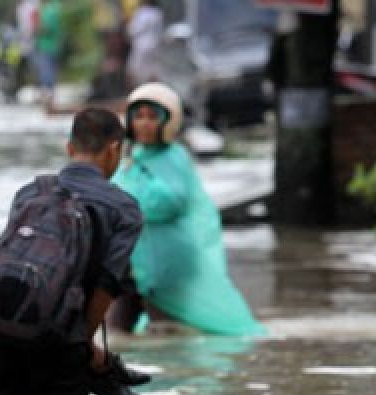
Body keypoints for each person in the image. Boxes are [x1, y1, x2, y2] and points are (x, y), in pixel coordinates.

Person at [0, 108, 145, 395]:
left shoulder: (30, 192)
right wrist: (84, 343)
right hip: (60, 333)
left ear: (69, 148)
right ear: (114, 150)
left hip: (0, 323)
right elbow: (106, 287)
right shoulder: (123, 209)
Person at [111, 83, 265, 336]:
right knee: (116, 334)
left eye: (152, 116)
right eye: (138, 116)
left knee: (166, 333)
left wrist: (131, 201)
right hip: (131, 265)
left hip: (169, 267)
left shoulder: (174, 158)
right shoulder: (129, 160)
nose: (144, 123)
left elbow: (170, 203)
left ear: (168, 121)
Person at [125, 0, 164, 89]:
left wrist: (127, 33)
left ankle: (132, 94)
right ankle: (154, 93)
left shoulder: (142, 12)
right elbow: (160, 32)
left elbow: (133, 30)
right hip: (154, 45)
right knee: (153, 71)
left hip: (141, 46)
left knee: (132, 71)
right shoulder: (157, 13)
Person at [33, 0, 64, 109]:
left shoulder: (50, 9)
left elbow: (46, 28)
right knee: (50, 70)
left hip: (47, 45)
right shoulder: (56, 6)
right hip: (54, 45)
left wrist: (36, 27)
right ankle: (50, 96)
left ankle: (48, 96)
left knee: (46, 70)